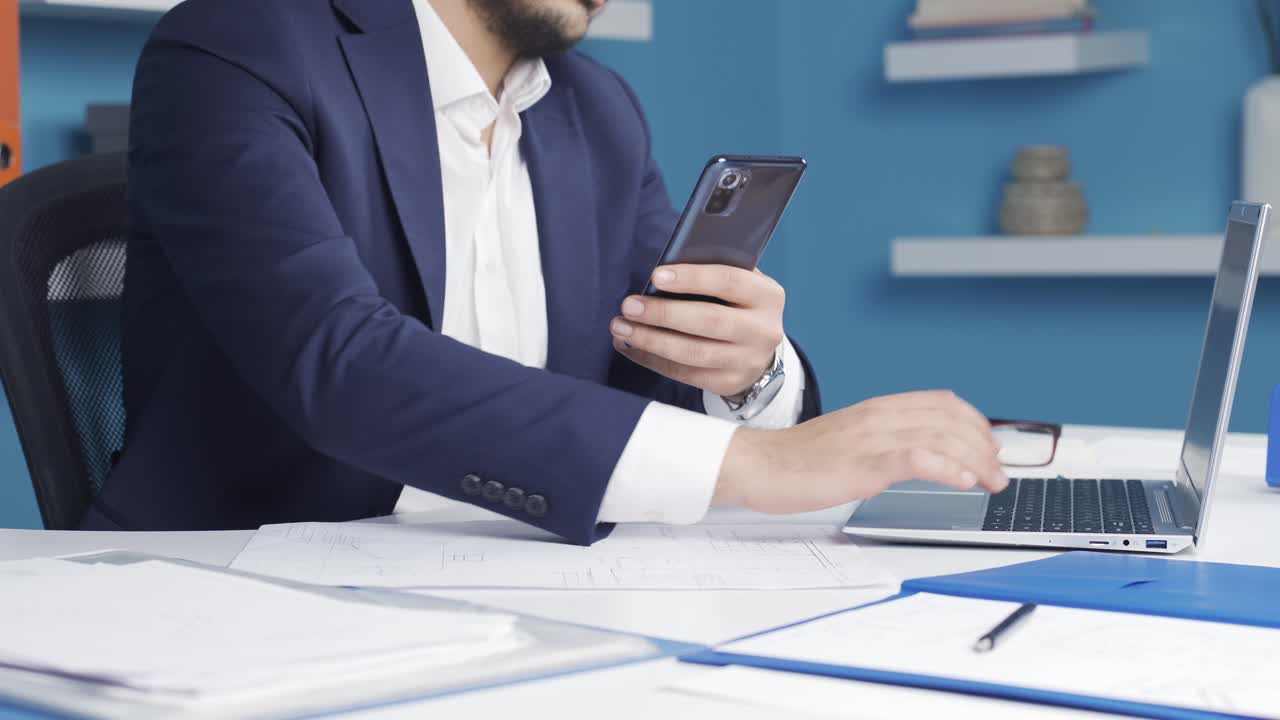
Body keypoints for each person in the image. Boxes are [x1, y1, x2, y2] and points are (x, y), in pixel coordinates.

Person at [80, 0, 1008, 542]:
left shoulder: (598, 110)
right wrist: (752, 461)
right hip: (240, 591)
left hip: (523, 575)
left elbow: (647, 366)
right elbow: (338, 361)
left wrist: (749, 375)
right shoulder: (235, 46)